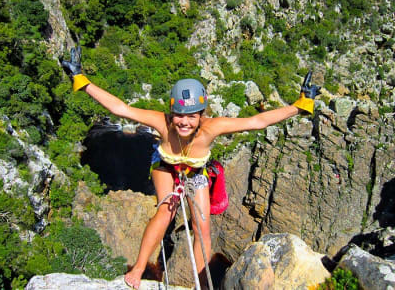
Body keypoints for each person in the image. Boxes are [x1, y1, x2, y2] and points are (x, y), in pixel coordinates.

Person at [62, 47, 320, 289]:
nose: (184, 122)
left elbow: (256, 121)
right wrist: (81, 80)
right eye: (179, 115)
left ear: (201, 115)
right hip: (165, 166)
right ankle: (140, 267)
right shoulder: (162, 123)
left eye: (192, 116)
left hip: (196, 173)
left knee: (202, 228)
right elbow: (120, 108)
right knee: (165, 213)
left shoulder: (212, 128)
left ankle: (200, 281)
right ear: (171, 112)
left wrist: (299, 106)